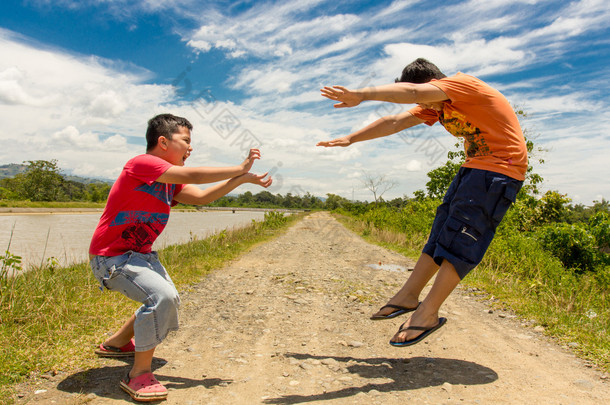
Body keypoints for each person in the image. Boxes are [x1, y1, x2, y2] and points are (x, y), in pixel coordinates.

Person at [317, 58, 527, 347]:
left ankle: (428, 313)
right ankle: (408, 296)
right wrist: (350, 139)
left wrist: (362, 95)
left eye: (430, 98)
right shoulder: (437, 104)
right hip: (475, 169)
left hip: (499, 172)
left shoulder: (463, 85)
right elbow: (394, 122)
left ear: (432, 85)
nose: (432, 109)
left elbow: (413, 94)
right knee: (441, 234)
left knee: (462, 240)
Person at [88, 113, 272, 402]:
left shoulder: (168, 183)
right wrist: (239, 166)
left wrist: (241, 179)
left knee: (165, 297)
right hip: (112, 258)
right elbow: (194, 175)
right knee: (162, 298)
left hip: (141, 257)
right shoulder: (141, 164)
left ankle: (116, 344)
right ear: (162, 142)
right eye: (186, 140)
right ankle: (137, 375)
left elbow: (200, 196)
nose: (190, 148)